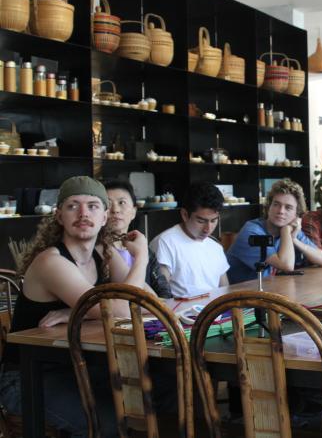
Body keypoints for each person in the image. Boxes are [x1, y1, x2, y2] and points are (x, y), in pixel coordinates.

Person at [0, 176, 152, 436]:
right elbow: (120, 310)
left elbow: (149, 303)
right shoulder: (51, 261)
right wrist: (142, 257)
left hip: (80, 367)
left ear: (104, 217)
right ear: (59, 216)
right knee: (109, 423)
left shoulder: (103, 252)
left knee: (159, 391)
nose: (83, 214)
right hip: (28, 378)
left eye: (93, 206)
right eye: (73, 206)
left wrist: (76, 313)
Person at [226, 179, 322, 283]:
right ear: (268, 207)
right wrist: (286, 231)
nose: (281, 211)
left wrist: (294, 239)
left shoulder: (292, 231)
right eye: (276, 204)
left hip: (267, 288)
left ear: (296, 214)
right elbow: (287, 266)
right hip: (237, 290)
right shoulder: (252, 231)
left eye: (288, 208)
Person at [150, 182, 229, 298]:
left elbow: (224, 290)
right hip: (180, 309)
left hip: (214, 307)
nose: (208, 229)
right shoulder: (165, 242)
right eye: (201, 221)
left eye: (213, 221)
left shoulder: (215, 246)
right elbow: (161, 295)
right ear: (185, 214)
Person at [104, 180, 172, 298]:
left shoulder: (143, 248)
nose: (115, 210)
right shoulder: (99, 251)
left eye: (122, 202)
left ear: (134, 212)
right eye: (108, 204)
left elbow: (163, 291)